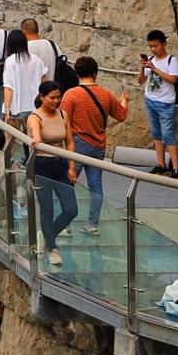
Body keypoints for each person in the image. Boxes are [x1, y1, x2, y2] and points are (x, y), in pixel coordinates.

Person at [59, 56, 129, 236]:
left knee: (67, 184)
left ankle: (65, 224)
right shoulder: (106, 94)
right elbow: (121, 116)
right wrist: (125, 101)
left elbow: (63, 122)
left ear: (77, 73)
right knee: (96, 185)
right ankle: (92, 224)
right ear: (95, 73)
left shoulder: (71, 95)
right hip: (99, 144)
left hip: (78, 144)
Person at [26, 81, 76, 266]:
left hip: (61, 164)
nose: (56, 101)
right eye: (52, 97)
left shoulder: (63, 114)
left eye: (58, 97)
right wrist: (37, 139)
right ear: (42, 97)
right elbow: (35, 134)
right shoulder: (35, 117)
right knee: (47, 209)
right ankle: (52, 248)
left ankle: (48, 235)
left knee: (71, 209)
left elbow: (69, 141)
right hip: (42, 164)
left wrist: (71, 165)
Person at [140, 29, 178, 178]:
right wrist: (143, 68)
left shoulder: (171, 60)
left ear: (164, 44)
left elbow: (173, 79)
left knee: (168, 135)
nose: (153, 49)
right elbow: (141, 80)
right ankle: (161, 164)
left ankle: (176, 168)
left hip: (165, 102)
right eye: (150, 46)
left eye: (156, 46)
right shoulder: (151, 59)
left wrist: (155, 69)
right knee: (156, 134)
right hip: (150, 100)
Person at [0, 28, 48, 123]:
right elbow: (45, 82)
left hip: (17, 108)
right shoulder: (37, 60)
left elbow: (8, 88)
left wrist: (7, 110)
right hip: (36, 107)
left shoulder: (10, 62)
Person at [22, 17, 59, 81]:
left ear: (24, 31)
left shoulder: (26, 47)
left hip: (34, 88)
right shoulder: (52, 44)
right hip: (52, 87)